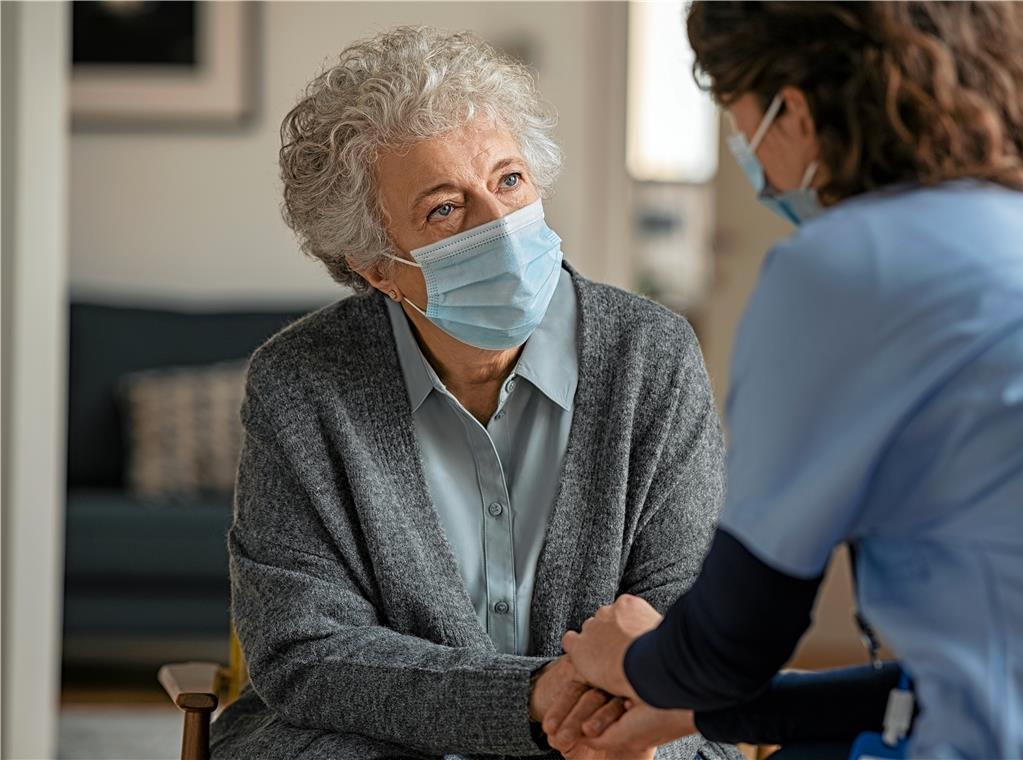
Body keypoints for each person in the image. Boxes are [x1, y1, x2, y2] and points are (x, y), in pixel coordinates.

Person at [543, 2, 1023, 758]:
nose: (745, 152)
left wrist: (628, 658)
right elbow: (952, 684)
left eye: (736, 115)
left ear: (790, 107)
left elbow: (729, 647)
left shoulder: (845, 267)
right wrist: (697, 712)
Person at [209, 26, 738, 760]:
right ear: (375, 267)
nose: (501, 224)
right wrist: (525, 699)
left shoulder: (653, 356)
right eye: (445, 210)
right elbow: (305, 647)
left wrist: (591, 718)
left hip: (623, 733)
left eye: (509, 180)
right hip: (378, 741)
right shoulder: (300, 381)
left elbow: (686, 609)